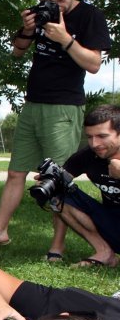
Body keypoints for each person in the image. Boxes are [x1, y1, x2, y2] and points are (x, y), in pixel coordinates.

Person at [0, 0, 112, 254]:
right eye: (48, 1)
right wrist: (27, 28)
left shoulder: (90, 16)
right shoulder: (42, 14)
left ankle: (57, 245)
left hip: (63, 106)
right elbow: (17, 52)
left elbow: (94, 64)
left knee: (57, 179)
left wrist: (65, 39)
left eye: (61, 0)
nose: (56, 6)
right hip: (33, 103)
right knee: (16, 171)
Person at [44, 105, 120, 267]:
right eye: (90, 137)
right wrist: (48, 181)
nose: (95, 143)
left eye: (102, 136)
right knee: (57, 192)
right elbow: (61, 179)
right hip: (111, 224)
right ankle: (105, 253)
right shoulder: (88, 156)